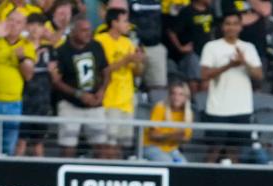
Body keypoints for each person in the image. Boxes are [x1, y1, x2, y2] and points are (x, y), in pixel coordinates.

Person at [200, 11, 262, 164]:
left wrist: (244, 62)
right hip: (217, 108)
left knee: (235, 151)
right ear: (222, 27)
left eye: (235, 24)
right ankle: (202, 181)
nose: (231, 27)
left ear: (241, 27)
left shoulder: (249, 48)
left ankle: (234, 184)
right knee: (214, 150)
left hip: (241, 108)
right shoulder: (211, 47)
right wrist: (229, 65)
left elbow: (259, 75)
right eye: (228, 24)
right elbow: (204, 75)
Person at [50, 14, 109, 158]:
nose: (88, 33)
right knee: (68, 146)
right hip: (70, 104)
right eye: (83, 30)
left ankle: (98, 177)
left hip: (95, 103)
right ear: (73, 32)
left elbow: (106, 71)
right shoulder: (62, 51)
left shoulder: (96, 46)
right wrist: (78, 94)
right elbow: (57, 82)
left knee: (101, 146)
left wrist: (102, 91)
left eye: (89, 30)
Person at [0, 9, 35, 156]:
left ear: (23, 26)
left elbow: (28, 75)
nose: (14, 25)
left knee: (8, 148)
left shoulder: (27, 46)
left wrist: (22, 58)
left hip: (13, 103)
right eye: (11, 20)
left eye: (18, 22)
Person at [95, 8, 144, 159]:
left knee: (122, 143)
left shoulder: (128, 42)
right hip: (110, 99)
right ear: (114, 22)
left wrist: (139, 61)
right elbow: (102, 70)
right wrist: (126, 60)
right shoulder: (100, 40)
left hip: (127, 100)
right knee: (108, 143)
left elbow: (137, 73)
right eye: (124, 21)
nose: (128, 24)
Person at [16, 12, 53, 157]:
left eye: (39, 26)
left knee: (38, 143)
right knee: (21, 142)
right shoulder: (21, 47)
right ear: (26, 26)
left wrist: (53, 72)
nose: (35, 29)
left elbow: (56, 75)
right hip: (25, 99)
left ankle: (41, 177)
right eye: (32, 25)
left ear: (44, 28)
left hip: (43, 101)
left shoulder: (50, 49)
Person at [164, 0, 212, 93]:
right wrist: (180, 47)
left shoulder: (211, 10)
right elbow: (171, 32)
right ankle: (194, 104)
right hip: (193, 53)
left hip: (207, 53)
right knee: (193, 81)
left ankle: (201, 105)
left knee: (206, 82)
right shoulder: (187, 12)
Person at [141, 80, 193, 163]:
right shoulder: (160, 107)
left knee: (184, 164)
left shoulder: (188, 114)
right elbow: (153, 135)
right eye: (173, 93)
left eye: (181, 94)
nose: (176, 97)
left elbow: (185, 138)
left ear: (186, 97)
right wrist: (173, 135)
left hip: (171, 149)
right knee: (168, 162)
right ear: (169, 95)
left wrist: (165, 136)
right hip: (151, 146)